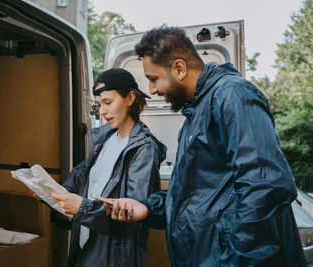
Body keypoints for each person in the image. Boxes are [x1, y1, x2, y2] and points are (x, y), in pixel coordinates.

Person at [104, 25, 306, 266]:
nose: (152, 90)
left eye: (153, 78)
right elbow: (195, 199)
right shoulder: (195, 114)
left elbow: (264, 188)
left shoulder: (232, 95)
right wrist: (147, 208)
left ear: (179, 68)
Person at [48, 68, 167, 267]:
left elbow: (131, 215)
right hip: (86, 240)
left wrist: (82, 207)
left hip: (114, 254)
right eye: (99, 105)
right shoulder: (105, 139)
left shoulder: (144, 148)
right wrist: (51, 191)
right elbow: (81, 177)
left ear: (129, 98)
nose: (102, 111)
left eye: (108, 102)